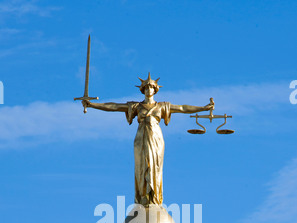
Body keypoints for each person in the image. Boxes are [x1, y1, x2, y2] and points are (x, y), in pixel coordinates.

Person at [82, 73, 214, 206]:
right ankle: (142, 196)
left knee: (155, 165)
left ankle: (154, 196)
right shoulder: (136, 106)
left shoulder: (162, 106)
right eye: (146, 88)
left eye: (151, 88)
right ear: (143, 90)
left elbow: (182, 108)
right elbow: (114, 107)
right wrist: (93, 105)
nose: (148, 90)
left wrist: (203, 108)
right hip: (141, 137)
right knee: (141, 166)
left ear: (155, 90)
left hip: (155, 137)